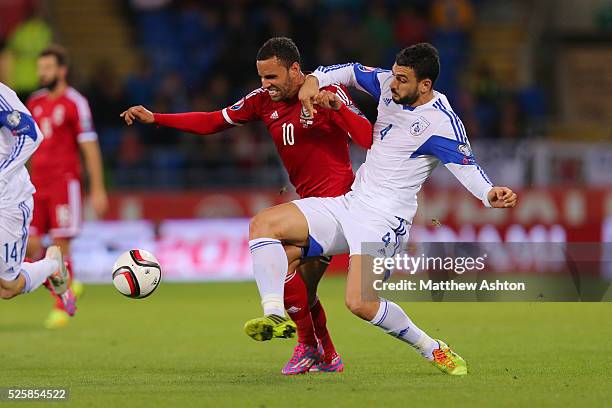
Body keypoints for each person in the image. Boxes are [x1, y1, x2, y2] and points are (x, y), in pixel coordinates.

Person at [244, 43, 518, 375]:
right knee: (264, 226)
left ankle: (432, 348)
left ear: (425, 85)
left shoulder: (441, 123)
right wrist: (314, 80)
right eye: (394, 75)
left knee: (359, 303)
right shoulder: (390, 85)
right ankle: (274, 312)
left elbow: (466, 167)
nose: (392, 84)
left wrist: (489, 193)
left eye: (402, 80)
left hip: (385, 220)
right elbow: (350, 70)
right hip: (351, 203)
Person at [120, 37, 373, 375]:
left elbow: (368, 138)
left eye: (272, 77)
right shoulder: (260, 102)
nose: (265, 85)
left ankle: (310, 347)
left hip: (337, 206)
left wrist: (337, 109)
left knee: (281, 266)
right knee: (298, 289)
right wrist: (157, 118)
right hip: (306, 207)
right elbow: (212, 121)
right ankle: (323, 353)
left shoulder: (324, 92)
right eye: (261, 77)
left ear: (295, 70)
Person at [26, 45, 108, 329]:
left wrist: (97, 188)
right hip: (35, 186)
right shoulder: (34, 103)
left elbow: (90, 146)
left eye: (48, 68)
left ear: (62, 70)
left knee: (60, 245)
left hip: (64, 184)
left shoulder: (76, 102)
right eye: (40, 68)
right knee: (32, 245)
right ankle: (70, 281)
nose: (42, 73)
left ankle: (62, 304)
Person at [0, 81, 75, 313]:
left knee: (7, 287)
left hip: (9, 198)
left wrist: (2, 175)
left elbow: (31, 134)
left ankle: (53, 265)